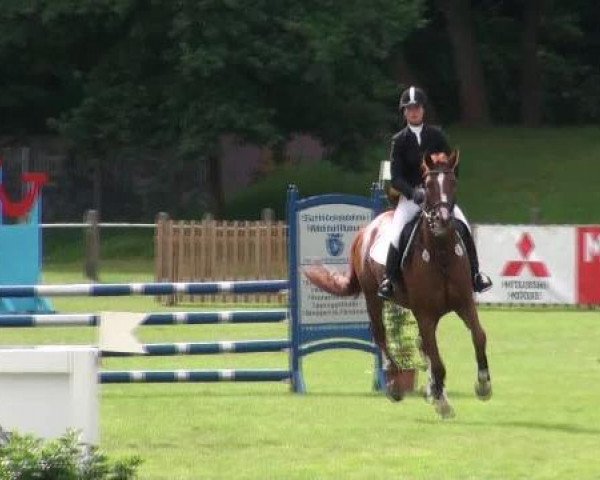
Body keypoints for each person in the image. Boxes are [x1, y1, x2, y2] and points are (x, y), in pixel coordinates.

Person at [378, 86, 492, 299]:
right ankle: (389, 279)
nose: (414, 112)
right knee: (397, 230)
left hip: (438, 198)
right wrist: (413, 193)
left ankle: (476, 275)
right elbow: (396, 177)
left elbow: (451, 164)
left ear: (423, 110)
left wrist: (446, 188)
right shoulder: (399, 140)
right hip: (413, 197)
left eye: (417, 107)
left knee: (464, 225)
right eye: (409, 108)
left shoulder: (436, 135)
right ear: (404, 112)